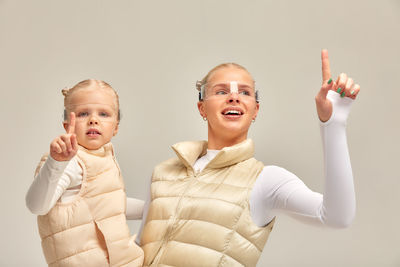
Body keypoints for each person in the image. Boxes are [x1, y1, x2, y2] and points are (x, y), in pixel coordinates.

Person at [137, 50, 360, 267]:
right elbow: (138, 247)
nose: (234, 97)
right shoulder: (164, 172)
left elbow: (337, 217)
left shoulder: (266, 180)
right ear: (201, 107)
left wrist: (334, 124)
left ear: (255, 110)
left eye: (244, 92)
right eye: (221, 91)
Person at [26, 80, 144, 267]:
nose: (93, 120)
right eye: (83, 114)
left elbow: (108, 205)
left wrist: (152, 207)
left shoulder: (103, 157)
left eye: (103, 114)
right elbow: (37, 205)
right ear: (67, 125)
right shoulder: (68, 161)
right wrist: (56, 162)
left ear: (116, 127)